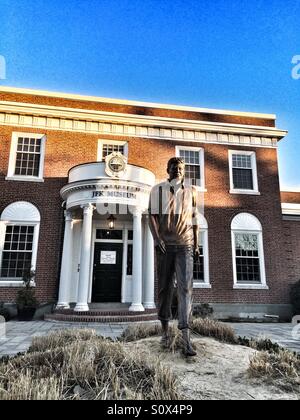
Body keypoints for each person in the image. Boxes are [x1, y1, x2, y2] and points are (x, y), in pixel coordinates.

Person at [148, 157, 201, 357]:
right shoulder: (157, 190)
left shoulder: (192, 191)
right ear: (167, 169)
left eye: (181, 168)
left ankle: (186, 338)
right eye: (174, 167)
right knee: (164, 288)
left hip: (185, 244)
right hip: (164, 245)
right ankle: (165, 331)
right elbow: (151, 216)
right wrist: (157, 239)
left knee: (186, 288)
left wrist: (196, 244)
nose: (178, 170)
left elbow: (195, 219)